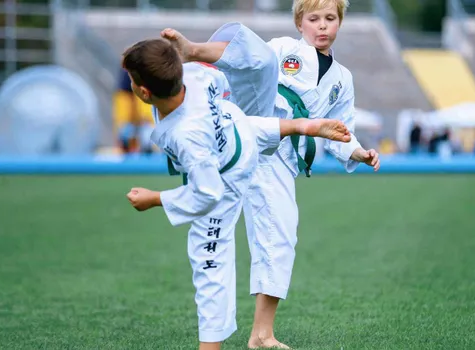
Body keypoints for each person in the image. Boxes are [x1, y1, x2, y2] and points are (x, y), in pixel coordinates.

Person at [161, 1, 382, 347]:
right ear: (299, 23)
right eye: (314, 19)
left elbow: (341, 129)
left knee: (281, 236)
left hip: (279, 159)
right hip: (254, 119)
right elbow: (250, 64)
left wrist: (359, 152)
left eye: (330, 18)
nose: (322, 26)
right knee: (261, 58)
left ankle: (261, 334)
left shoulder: (343, 79)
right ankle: (193, 52)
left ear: (340, 22)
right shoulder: (283, 49)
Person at [122, 32, 351, 350]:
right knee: (240, 116)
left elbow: (207, 193)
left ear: (144, 92)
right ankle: (301, 125)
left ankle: (210, 346)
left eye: (131, 81)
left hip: (225, 173)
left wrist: (155, 199)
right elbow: (228, 79)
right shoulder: (197, 75)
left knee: (209, 260)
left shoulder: (184, 136)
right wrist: (188, 53)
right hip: (239, 127)